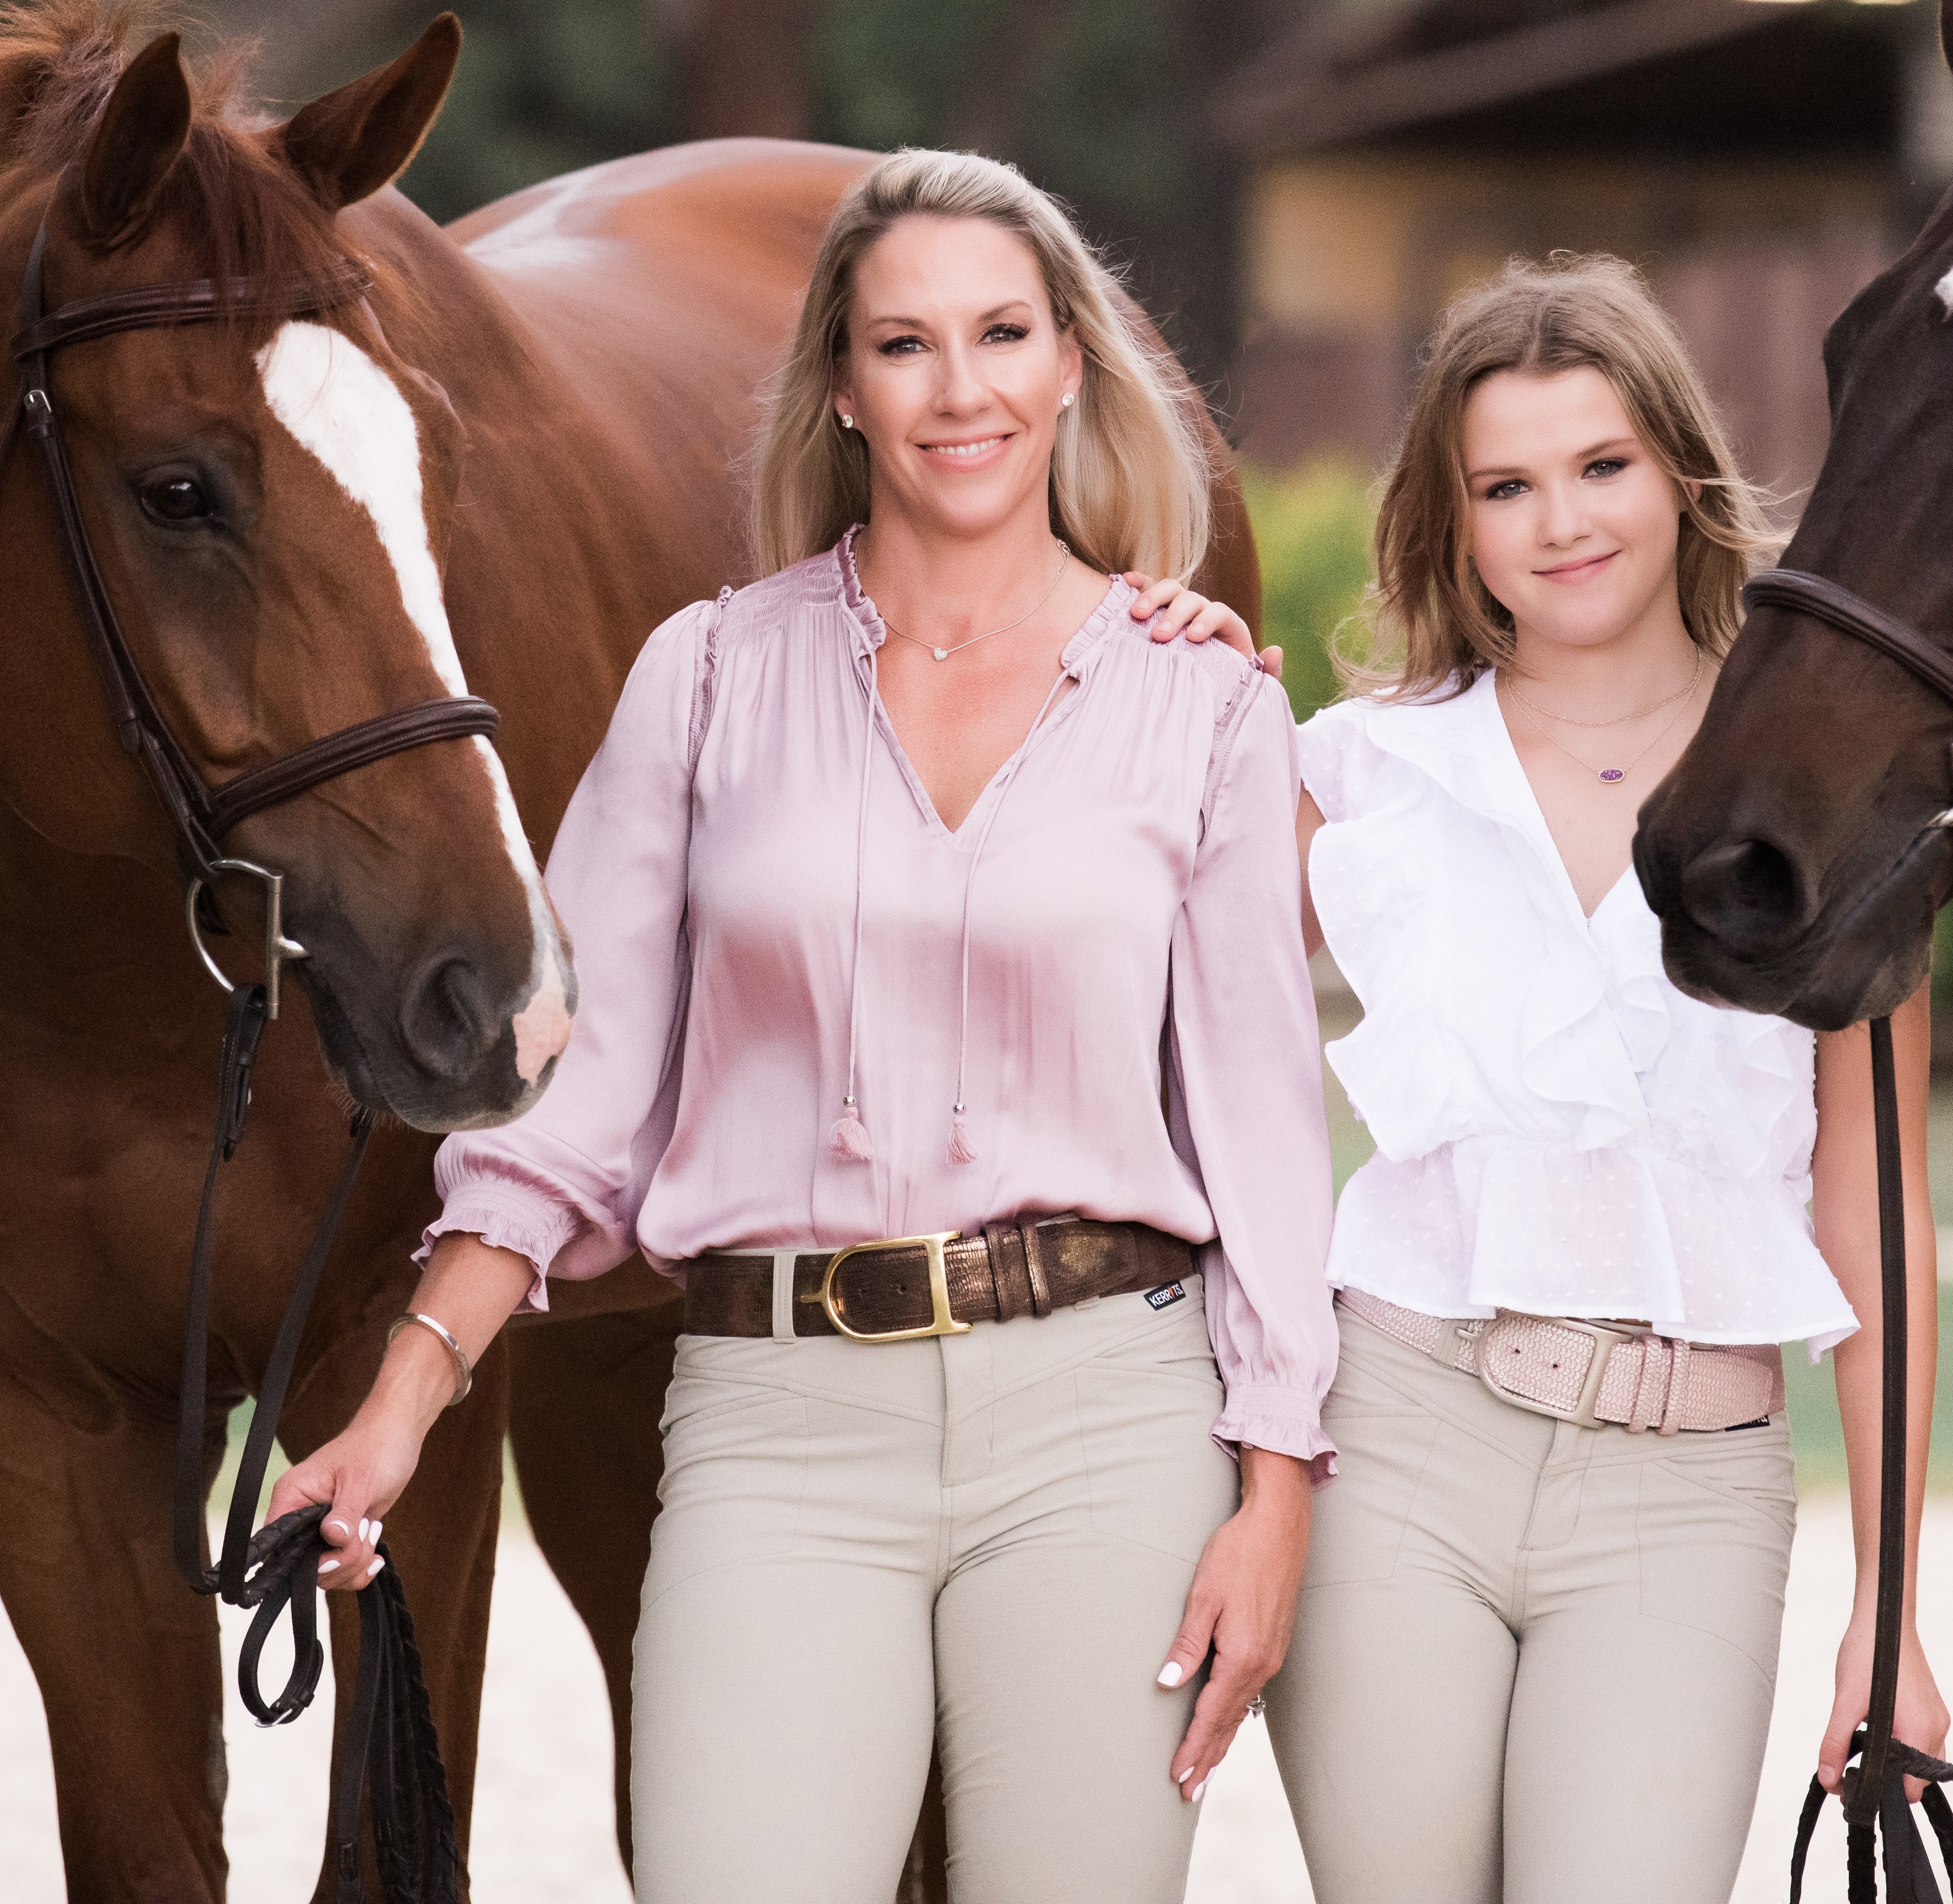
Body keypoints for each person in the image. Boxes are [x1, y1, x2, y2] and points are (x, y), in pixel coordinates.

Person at [275, 147, 1334, 1904]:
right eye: (903, 344)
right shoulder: (703, 677)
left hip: (1101, 1417)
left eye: (1003, 334)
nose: (961, 388)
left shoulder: (1201, 700)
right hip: (777, 1419)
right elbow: (573, 1107)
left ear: (1072, 361)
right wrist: (397, 1407)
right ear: (841, 385)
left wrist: (1275, 1491)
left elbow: (1262, 1133)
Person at [1266, 255, 1944, 1904]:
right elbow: (1208, 1089)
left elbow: (1879, 1210)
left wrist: (1896, 1609)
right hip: (1398, 1449)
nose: (1560, 521)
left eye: (1601, 466)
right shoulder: (1354, 779)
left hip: (1685, 1485)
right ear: (1456, 520)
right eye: (1506, 484)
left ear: (1681, 475)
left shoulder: (1836, 797)